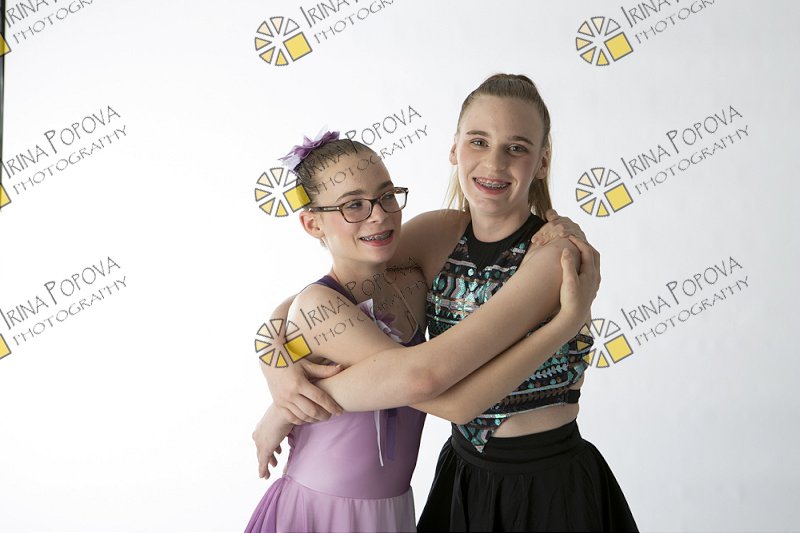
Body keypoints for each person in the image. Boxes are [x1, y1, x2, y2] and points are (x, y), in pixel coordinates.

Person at [245, 130, 600, 532]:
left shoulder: (410, 282)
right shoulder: (320, 306)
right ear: (312, 223)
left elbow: (294, 310)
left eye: (387, 196)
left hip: (392, 511)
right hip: (321, 512)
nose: (379, 215)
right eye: (353, 205)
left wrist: (276, 373)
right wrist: (564, 325)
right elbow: (442, 393)